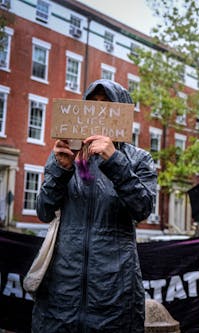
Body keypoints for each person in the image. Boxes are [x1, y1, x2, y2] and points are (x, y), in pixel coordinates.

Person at [33, 79, 157, 332]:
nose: (99, 111)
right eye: (93, 104)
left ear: (120, 110)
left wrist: (115, 161)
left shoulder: (138, 159)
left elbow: (142, 209)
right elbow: (43, 211)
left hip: (114, 292)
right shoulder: (65, 152)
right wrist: (61, 170)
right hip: (62, 291)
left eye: (107, 104)